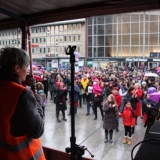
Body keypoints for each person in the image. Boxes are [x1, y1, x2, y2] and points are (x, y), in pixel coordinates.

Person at [0, 47, 45, 159]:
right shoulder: (22, 94)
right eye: (26, 67)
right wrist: (38, 100)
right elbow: (37, 130)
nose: (28, 71)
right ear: (17, 68)